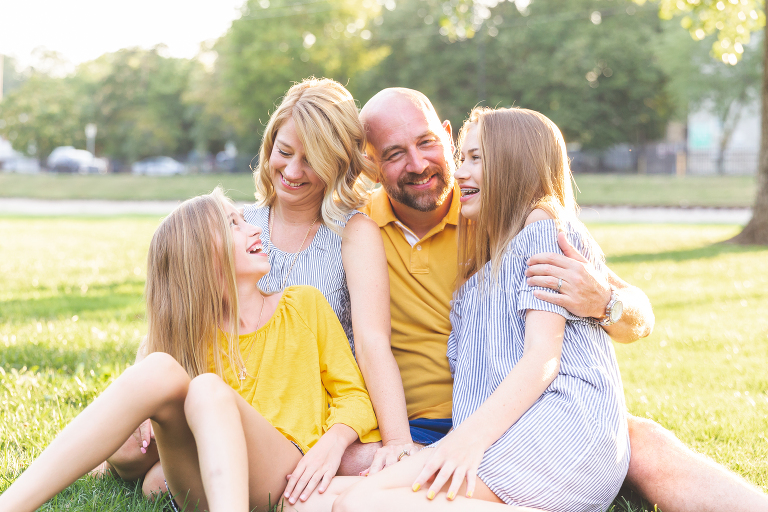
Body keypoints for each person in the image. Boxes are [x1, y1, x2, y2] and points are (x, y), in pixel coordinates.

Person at [358, 88, 768, 511]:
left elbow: (636, 313)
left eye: (427, 142)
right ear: (371, 164)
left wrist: (605, 301)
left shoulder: (506, 214)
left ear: (447, 136)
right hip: (427, 423)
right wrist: (398, 441)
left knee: (641, 442)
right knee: (339, 487)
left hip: (529, 416)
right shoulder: (359, 228)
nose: (419, 163)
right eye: (394, 154)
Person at [101, 78, 412, 500]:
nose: (294, 171)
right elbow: (183, 304)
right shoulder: (240, 223)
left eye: (313, 159)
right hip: (229, 395)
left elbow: (373, 344)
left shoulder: (352, 234)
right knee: (123, 449)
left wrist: (396, 443)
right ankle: (175, 462)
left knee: (367, 463)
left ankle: (190, 471)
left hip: (311, 409)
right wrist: (146, 378)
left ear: (338, 162)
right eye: (284, 153)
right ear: (269, 147)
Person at [0, 190, 380, 512]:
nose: (252, 227)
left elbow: (354, 398)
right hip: (205, 479)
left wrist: (332, 444)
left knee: (206, 389)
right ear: (200, 254)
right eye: (233, 224)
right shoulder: (192, 338)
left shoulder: (304, 305)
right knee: (158, 369)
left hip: (283, 471)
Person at [334, 104, 631, 511]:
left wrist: (460, 444)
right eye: (464, 158)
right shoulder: (479, 272)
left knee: (362, 501)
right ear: (372, 163)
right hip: (496, 434)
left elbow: (542, 358)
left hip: (545, 440)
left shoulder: (542, 232)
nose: (459, 172)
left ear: (512, 166)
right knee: (325, 499)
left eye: (476, 159)